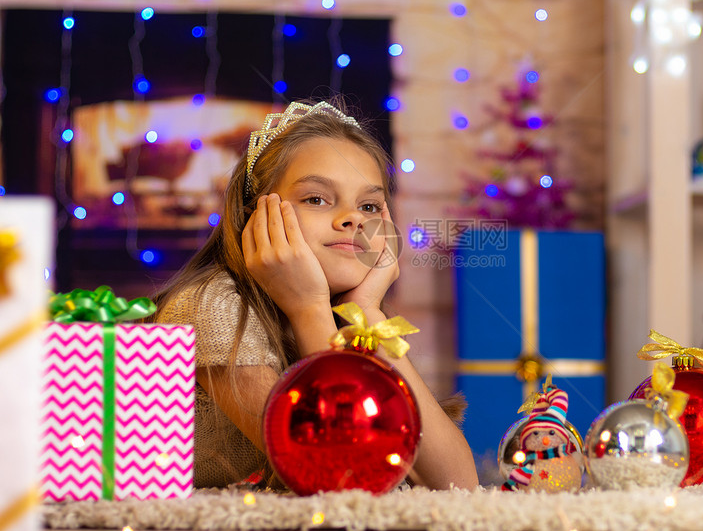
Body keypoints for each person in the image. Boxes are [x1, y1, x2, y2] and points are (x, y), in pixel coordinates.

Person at [150, 99, 478, 490]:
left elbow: (459, 484)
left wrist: (367, 312)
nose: (353, 218)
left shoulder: (349, 313)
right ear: (256, 215)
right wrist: (308, 309)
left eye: (370, 205)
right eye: (316, 199)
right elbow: (344, 474)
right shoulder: (212, 305)